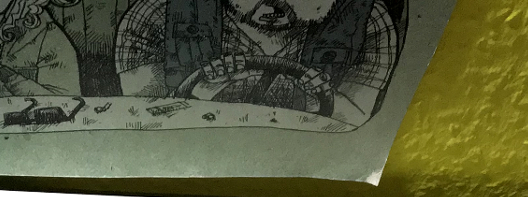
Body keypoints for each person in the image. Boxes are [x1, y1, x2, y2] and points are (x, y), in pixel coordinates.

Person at [114, 0, 398, 124]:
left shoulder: (366, 20)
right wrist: (201, 96)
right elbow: (140, 119)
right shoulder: (159, 13)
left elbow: (357, 122)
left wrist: (315, 100)